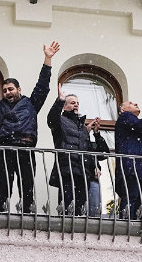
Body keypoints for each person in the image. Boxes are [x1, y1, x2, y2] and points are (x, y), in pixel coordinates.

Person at [0, 42, 60, 213]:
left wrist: (47, 59)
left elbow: (42, 86)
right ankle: (1, 211)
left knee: (27, 183)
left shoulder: (31, 104)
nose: (7, 92)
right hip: (4, 149)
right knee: (4, 183)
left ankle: (27, 212)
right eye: (5, 90)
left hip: (25, 147)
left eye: (10, 89)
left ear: (19, 89)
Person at [47, 84, 109, 216]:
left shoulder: (82, 128)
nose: (76, 105)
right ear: (65, 106)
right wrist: (60, 100)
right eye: (72, 103)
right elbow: (52, 119)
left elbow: (99, 153)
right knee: (67, 209)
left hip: (83, 174)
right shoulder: (61, 120)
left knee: (81, 212)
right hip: (67, 170)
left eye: (77, 103)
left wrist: (96, 134)